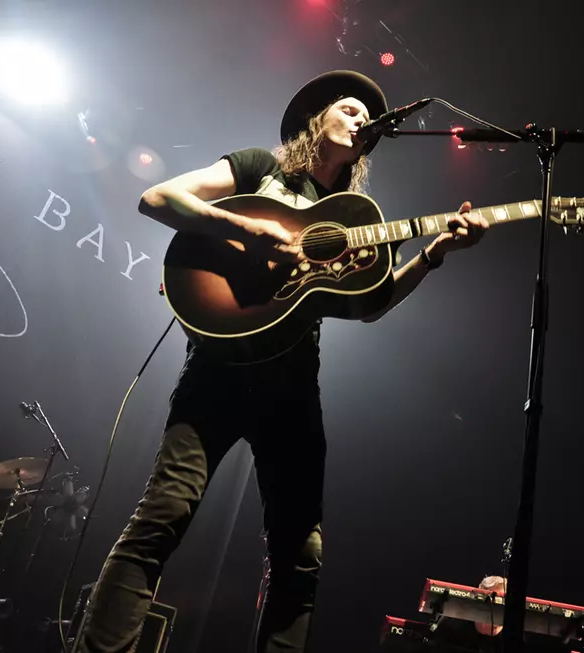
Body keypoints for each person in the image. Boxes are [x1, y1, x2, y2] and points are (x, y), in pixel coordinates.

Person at [76, 70, 490, 653]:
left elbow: (371, 306)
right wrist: (244, 224)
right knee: (162, 517)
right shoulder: (257, 170)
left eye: (364, 120)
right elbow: (157, 197)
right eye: (348, 109)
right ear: (315, 118)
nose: (359, 121)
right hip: (218, 371)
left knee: (301, 552)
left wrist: (434, 254)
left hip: (293, 383)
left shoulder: (351, 216)